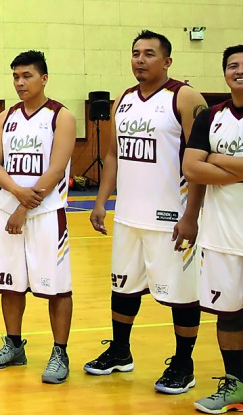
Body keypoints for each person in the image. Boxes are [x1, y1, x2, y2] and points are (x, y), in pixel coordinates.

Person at [84, 30, 207, 395]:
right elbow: (112, 155)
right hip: (128, 216)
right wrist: (101, 200)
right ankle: (120, 351)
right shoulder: (123, 98)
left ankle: (184, 364)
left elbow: (200, 163)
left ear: (167, 61)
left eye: (149, 54)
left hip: (172, 218)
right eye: (135, 53)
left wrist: (191, 216)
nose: (140, 59)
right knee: (122, 287)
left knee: (182, 294)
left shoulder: (185, 98)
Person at [183, 44, 243, 414]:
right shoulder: (211, 116)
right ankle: (237, 388)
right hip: (221, 234)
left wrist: (218, 160)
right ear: (224, 74)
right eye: (233, 66)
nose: (240, 70)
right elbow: (192, 168)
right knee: (229, 311)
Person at [0, 51, 76, 384]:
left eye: (27, 76)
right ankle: (13, 345)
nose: (20, 82)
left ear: (44, 78)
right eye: (15, 77)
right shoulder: (6, 116)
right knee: (10, 285)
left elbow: (55, 167)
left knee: (57, 289)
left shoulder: (61, 116)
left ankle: (60, 352)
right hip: (10, 211)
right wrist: (15, 195)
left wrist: (25, 204)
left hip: (47, 213)